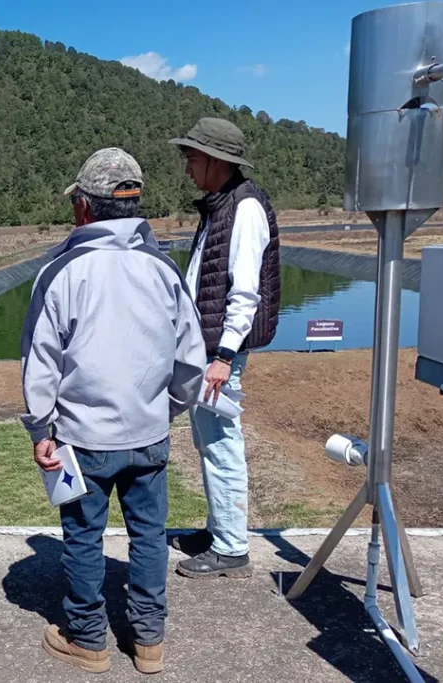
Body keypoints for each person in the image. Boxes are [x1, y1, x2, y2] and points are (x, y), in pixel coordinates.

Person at [21, 148, 205, 675]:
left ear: (84, 205)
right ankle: (149, 641)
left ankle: (88, 640)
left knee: (84, 536)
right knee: (149, 535)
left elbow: (41, 362)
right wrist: (165, 409)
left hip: (83, 438)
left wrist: (41, 427)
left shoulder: (61, 271)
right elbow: (190, 358)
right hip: (148, 434)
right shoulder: (163, 269)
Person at [168, 118, 280, 579]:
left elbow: (245, 293)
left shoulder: (244, 208)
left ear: (216, 161)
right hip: (211, 349)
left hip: (220, 354)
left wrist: (224, 356)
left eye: (193, 159)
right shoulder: (222, 206)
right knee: (209, 440)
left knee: (220, 443)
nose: (188, 168)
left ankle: (231, 548)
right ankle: (220, 530)